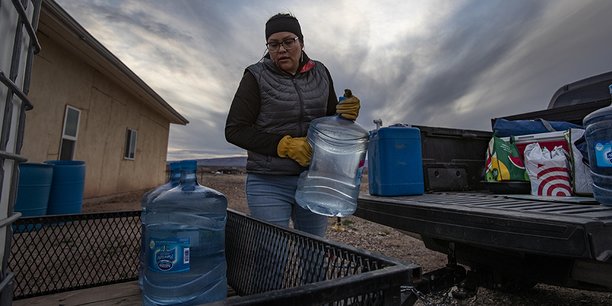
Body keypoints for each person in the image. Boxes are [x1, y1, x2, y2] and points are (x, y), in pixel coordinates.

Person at [225, 13, 360, 237]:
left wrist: (346, 113)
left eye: (288, 41)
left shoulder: (321, 72)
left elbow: (330, 122)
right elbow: (235, 130)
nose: (281, 49)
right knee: (272, 254)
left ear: (301, 42)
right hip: (269, 182)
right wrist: (284, 146)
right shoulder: (255, 76)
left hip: (314, 180)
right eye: (274, 44)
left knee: (314, 253)